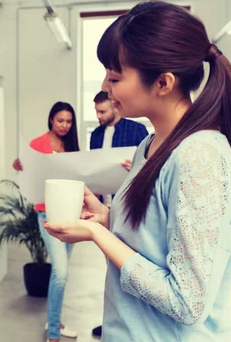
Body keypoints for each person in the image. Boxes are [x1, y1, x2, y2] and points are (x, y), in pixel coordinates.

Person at [44, 1, 231, 342]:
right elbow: (155, 239)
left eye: (116, 76)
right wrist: (107, 219)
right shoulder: (149, 145)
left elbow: (187, 303)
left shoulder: (200, 158)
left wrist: (99, 236)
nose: (106, 87)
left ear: (163, 83)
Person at [13, 101, 80, 342]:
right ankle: (53, 332)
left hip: (71, 216)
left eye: (69, 121)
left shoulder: (73, 146)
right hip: (46, 214)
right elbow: (27, 174)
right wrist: (19, 167)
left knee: (61, 274)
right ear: (51, 119)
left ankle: (55, 320)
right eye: (60, 120)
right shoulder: (37, 144)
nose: (64, 125)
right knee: (60, 273)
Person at [89, 91, 148, 336]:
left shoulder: (137, 131)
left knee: (130, 264)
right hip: (104, 207)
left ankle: (132, 325)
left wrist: (135, 167)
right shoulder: (96, 134)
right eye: (96, 111)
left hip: (130, 209)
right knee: (110, 270)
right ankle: (113, 321)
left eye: (103, 111)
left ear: (114, 107)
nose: (99, 116)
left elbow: (151, 167)